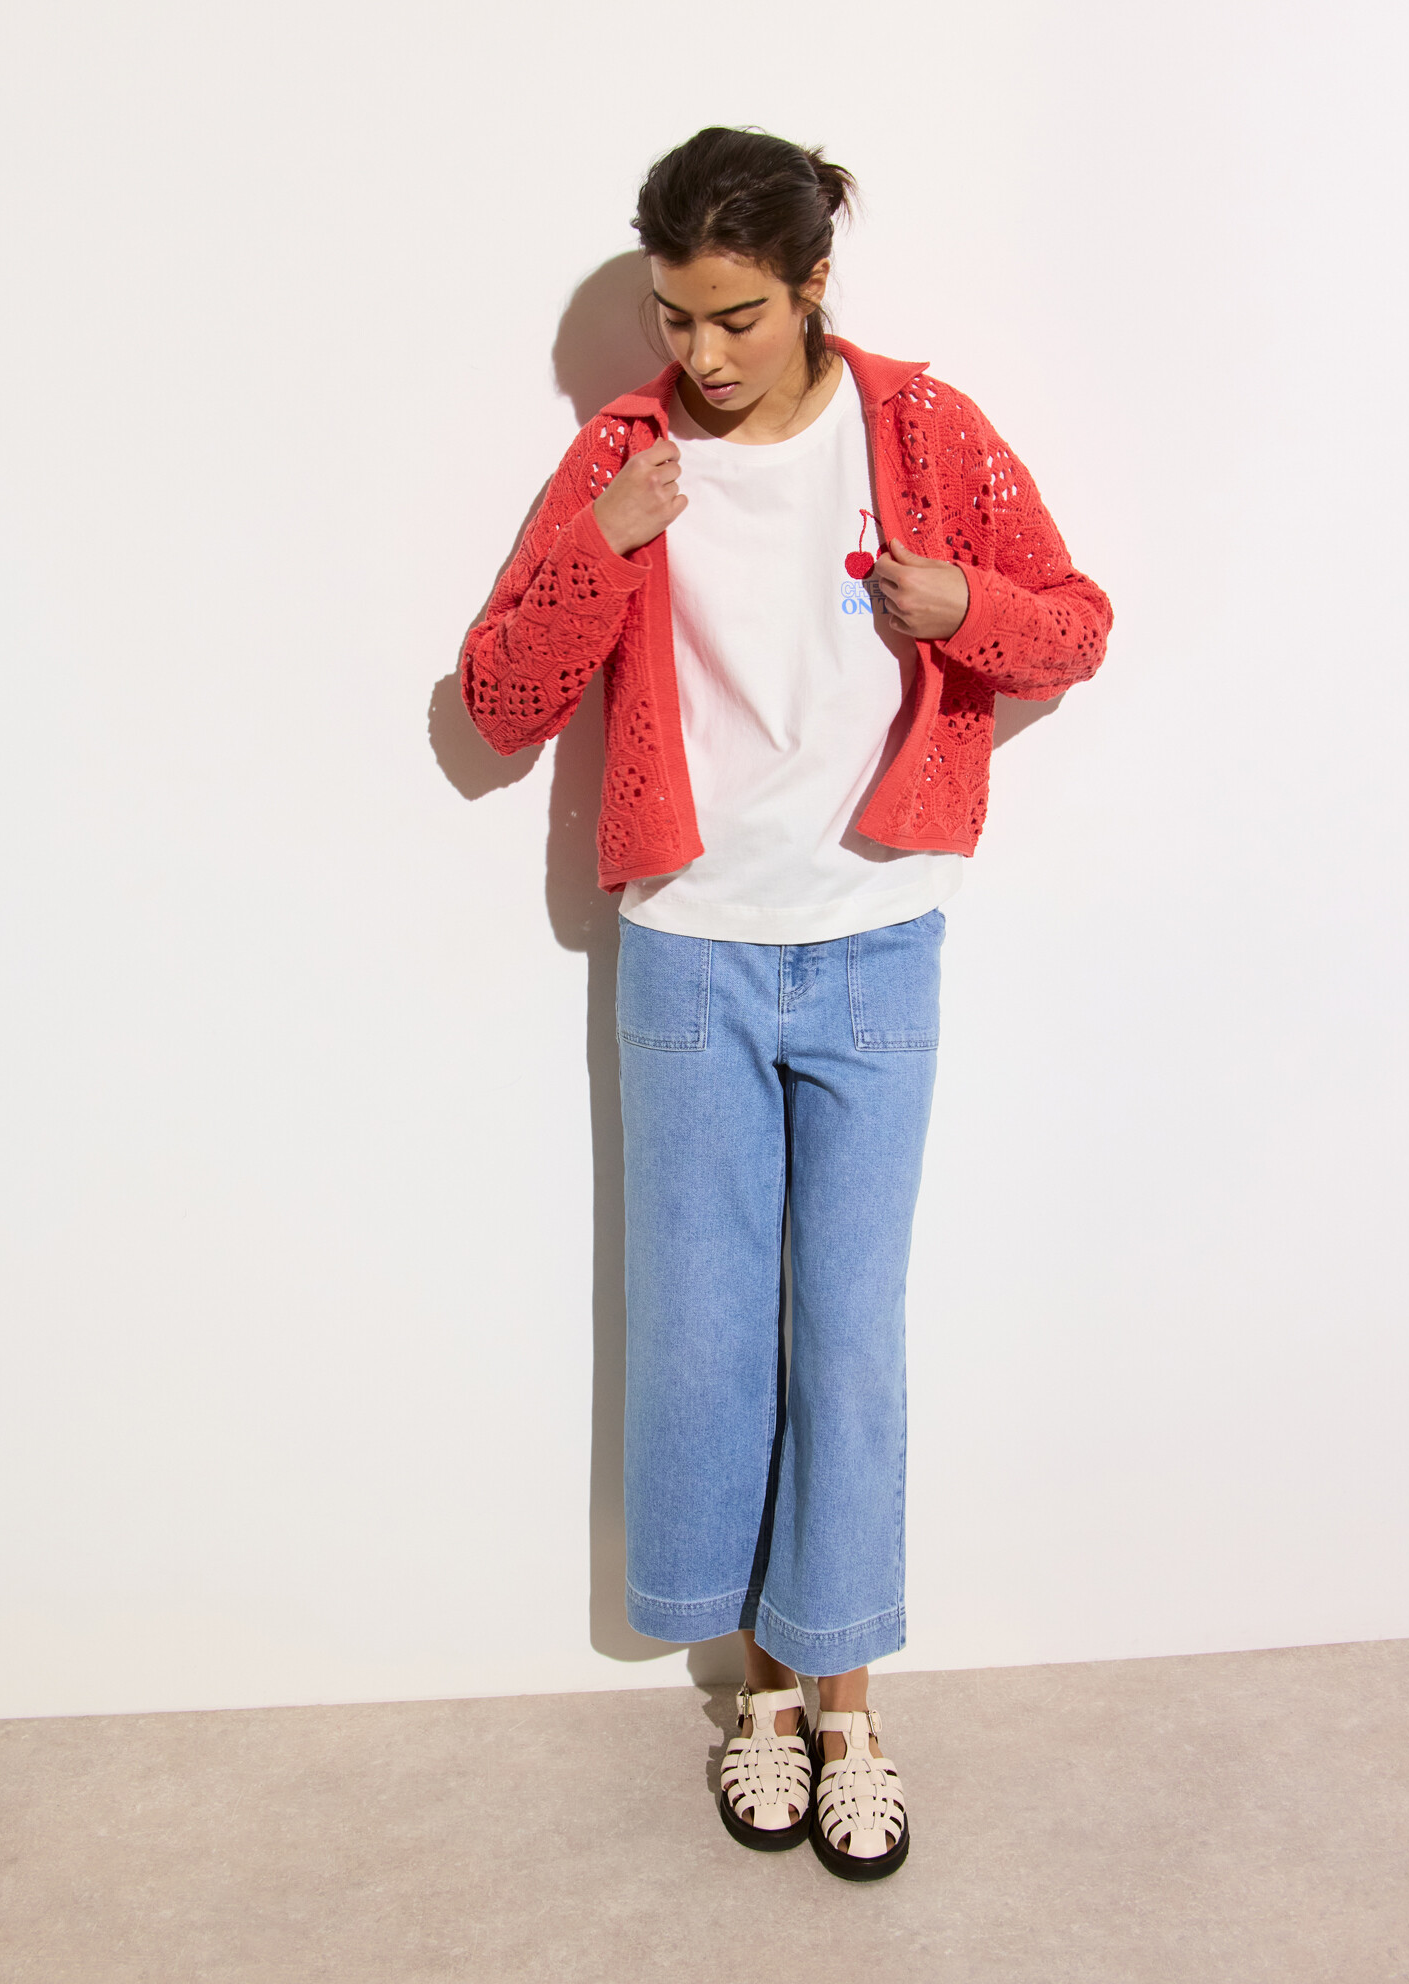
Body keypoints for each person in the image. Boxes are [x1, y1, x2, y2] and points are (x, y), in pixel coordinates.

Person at [461, 126, 1112, 1881]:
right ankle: (757, 1693)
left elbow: (1075, 627)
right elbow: (502, 699)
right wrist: (603, 544)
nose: (703, 355)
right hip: (689, 953)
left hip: (878, 942)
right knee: (701, 1336)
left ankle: (852, 1706)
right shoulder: (624, 453)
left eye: (736, 315)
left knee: (850, 1338)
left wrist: (962, 603)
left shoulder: (925, 431)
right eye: (675, 317)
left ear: (815, 284)